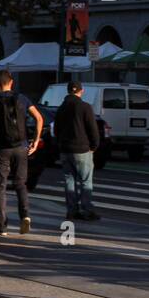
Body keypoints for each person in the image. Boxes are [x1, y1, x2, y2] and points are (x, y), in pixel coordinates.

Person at [0, 69, 43, 236]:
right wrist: (36, 141)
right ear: (11, 82)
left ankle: (2, 227)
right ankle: (25, 215)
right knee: (20, 184)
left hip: (1, 148)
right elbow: (39, 118)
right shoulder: (22, 98)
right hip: (21, 147)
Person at [54, 81, 101, 221]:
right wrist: (94, 146)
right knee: (85, 181)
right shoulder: (85, 107)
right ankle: (86, 209)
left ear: (68, 91)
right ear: (81, 91)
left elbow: (56, 129)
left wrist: (60, 143)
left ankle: (71, 210)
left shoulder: (61, 108)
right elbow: (93, 129)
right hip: (82, 149)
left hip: (65, 149)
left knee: (69, 180)